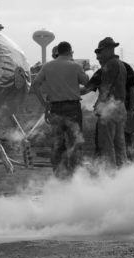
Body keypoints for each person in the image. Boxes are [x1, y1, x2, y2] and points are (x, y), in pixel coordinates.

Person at [31, 41, 90, 178]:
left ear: (57, 53)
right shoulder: (75, 66)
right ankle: (75, 176)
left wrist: (44, 104)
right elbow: (87, 83)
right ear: (69, 51)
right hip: (72, 109)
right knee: (75, 143)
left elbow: (35, 84)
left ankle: (59, 176)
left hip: (55, 109)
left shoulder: (47, 67)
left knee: (57, 144)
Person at [84, 50, 134, 160]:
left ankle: (107, 172)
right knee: (123, 145)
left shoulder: (103, 71)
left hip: (108, 114)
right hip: (124, 111)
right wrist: (130, 109)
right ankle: (127, 171)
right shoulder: (126, 67)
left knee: (105, 145)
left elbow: (86, 90)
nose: (98, 61)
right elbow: (133, 90)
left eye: (99, 58)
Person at [90, 37, 128, 167]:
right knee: (119, 144)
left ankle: (110, 176)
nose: (99, 55)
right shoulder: (121, 64)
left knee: (107, 144)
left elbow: (105, 87)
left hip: (109, 107)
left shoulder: (110, 65)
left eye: (100, 51)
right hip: (120, 106)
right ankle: (123, 173)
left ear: (107, 50)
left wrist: (98, 105)